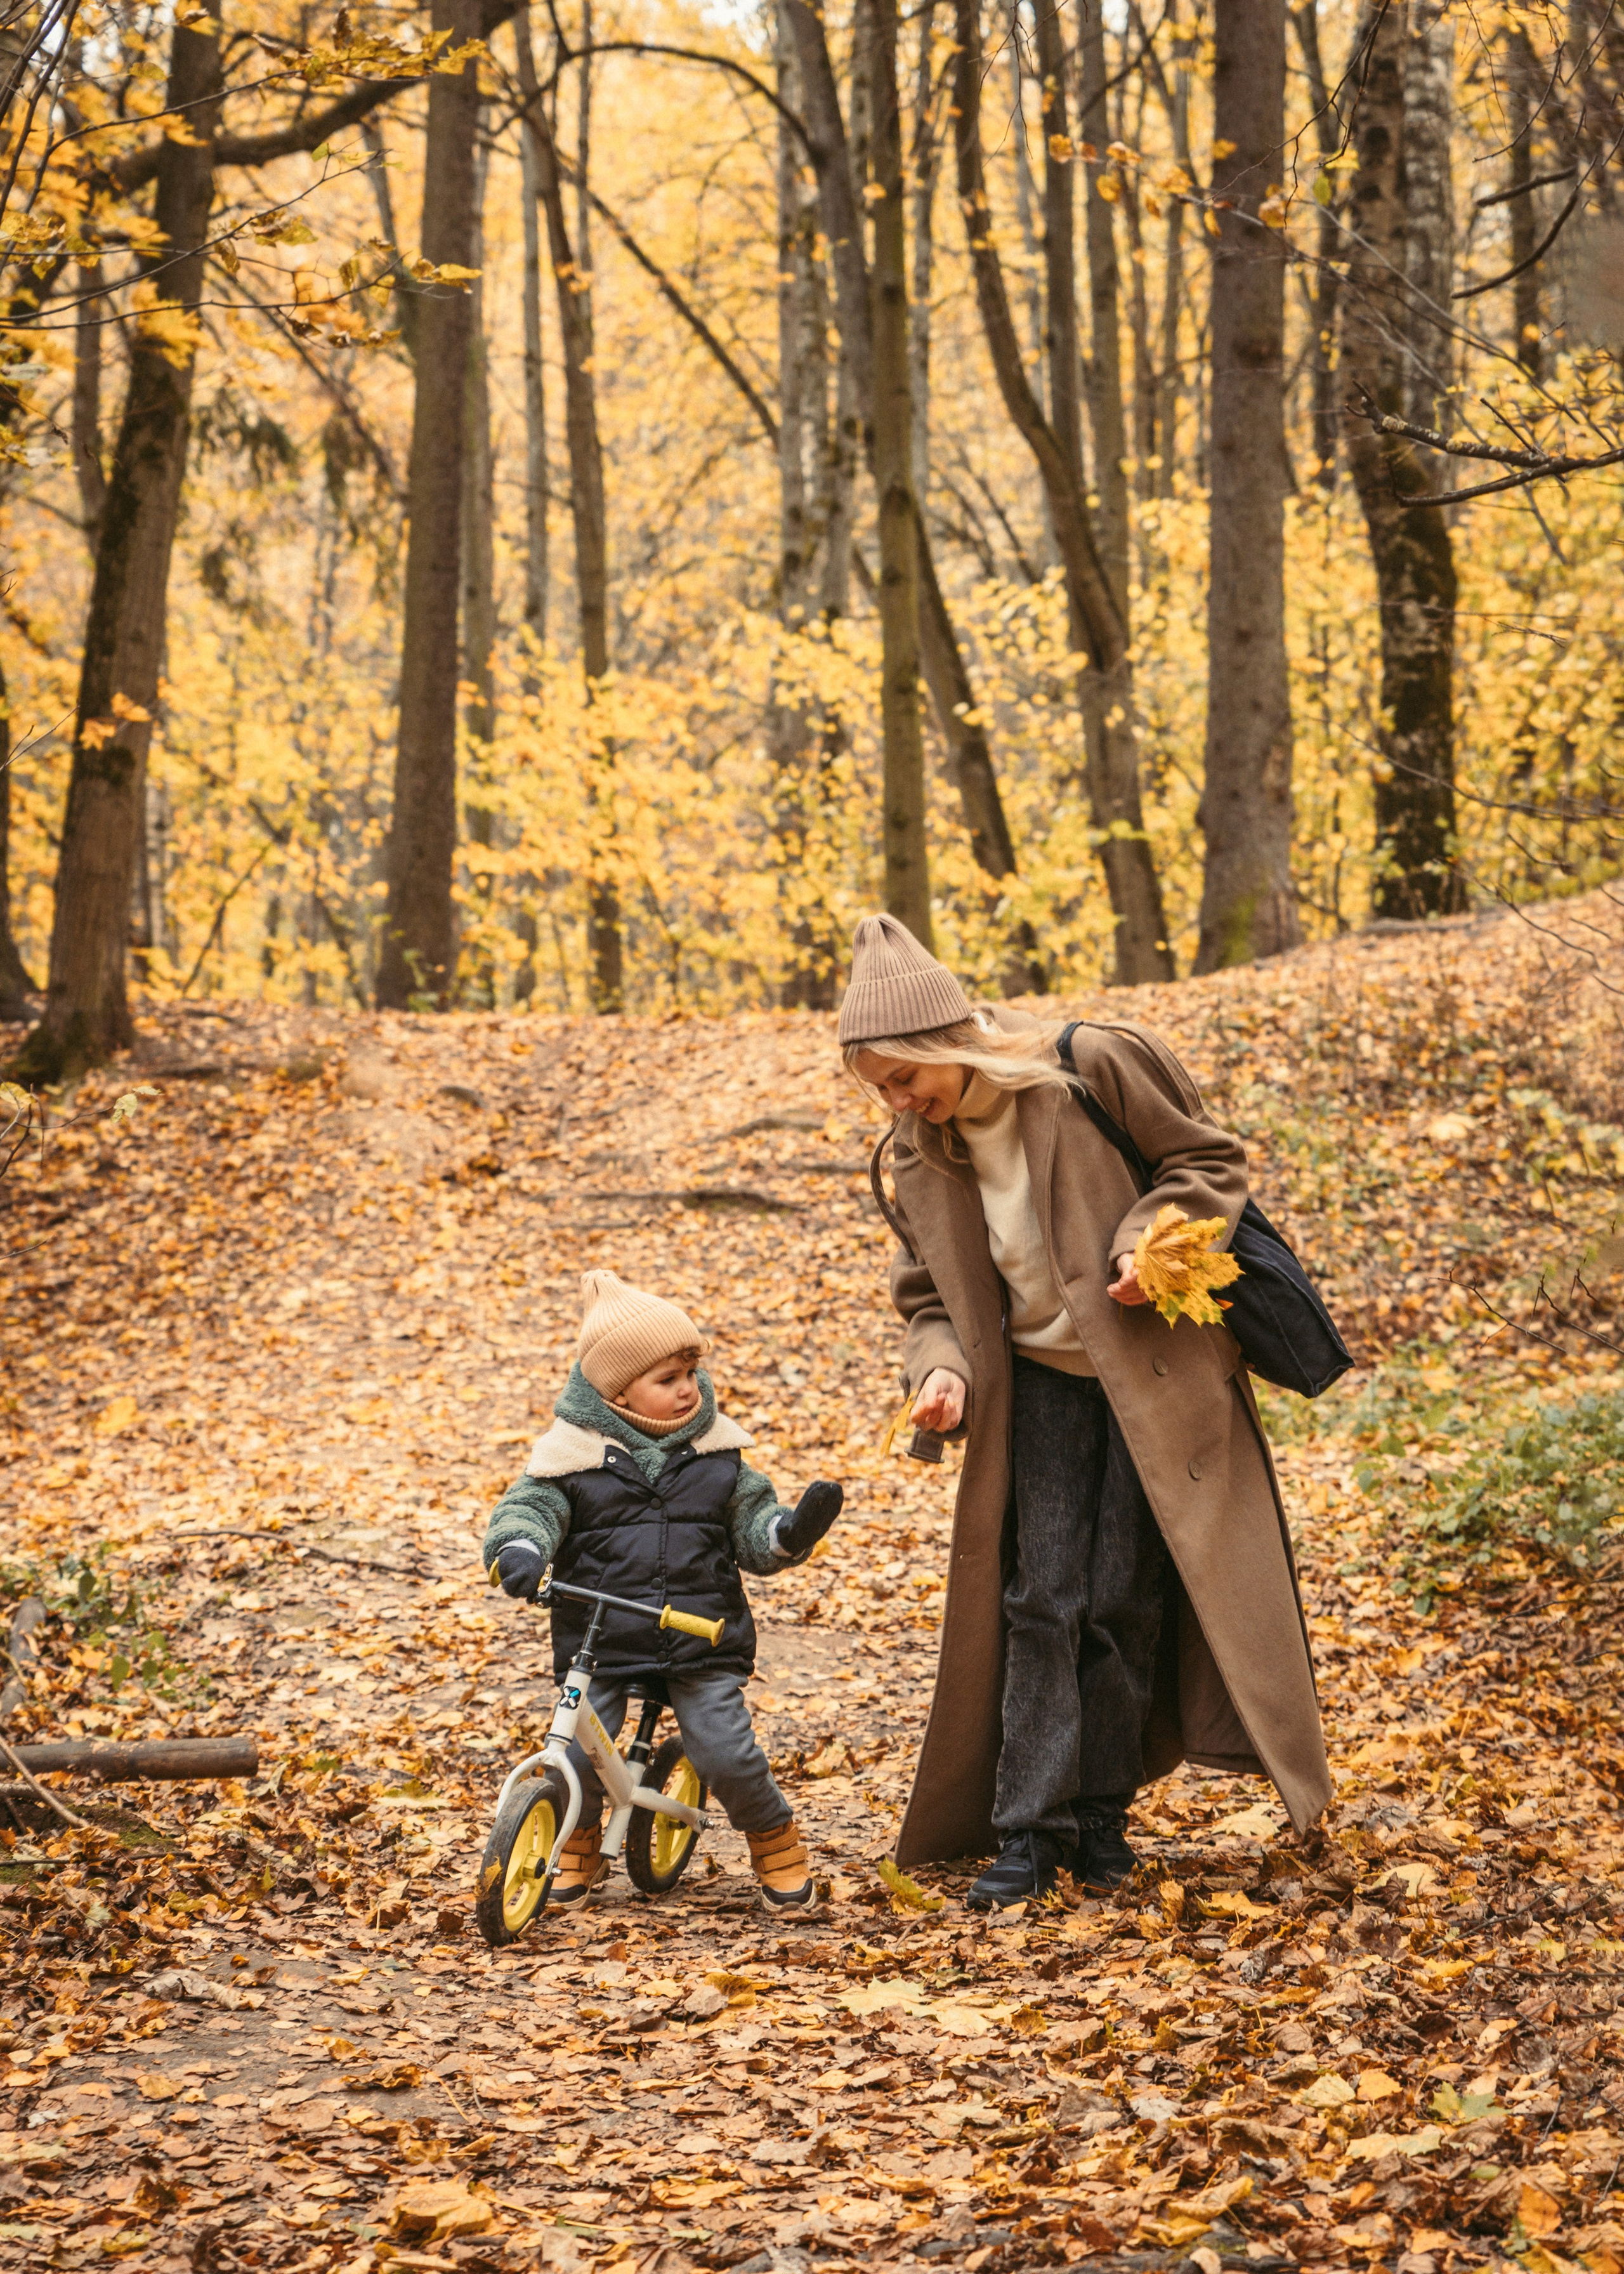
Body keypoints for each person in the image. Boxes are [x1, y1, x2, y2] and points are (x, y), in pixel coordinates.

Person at [839, 914, 1331, 1909]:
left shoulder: (1093, 1065)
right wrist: (940, 1373)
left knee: (1123, 1598)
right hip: (1039, 1391)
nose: (897, 1102)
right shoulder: (918, 1150)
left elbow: (1206, 1164)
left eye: (903, 1077)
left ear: (949, 1040)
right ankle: (1028, 1830)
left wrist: (1150, 1241)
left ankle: (1100, 1818)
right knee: (1038, 1598)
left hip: (1152, 1380)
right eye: (880, 1089)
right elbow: (928, 1298)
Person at [484, 1269, 843, 1910]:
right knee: (578, 1746)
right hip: (603, 1634)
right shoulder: (571, 1458)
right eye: (668, 1379)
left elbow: (755, 1530)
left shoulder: (717, 1456)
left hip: (699, 1635)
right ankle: (577, 1835)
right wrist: (520, 1547)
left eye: (690, 1372)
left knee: (725, 1750)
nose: (689, 1389)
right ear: (618, 1391)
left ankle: (771, 1833)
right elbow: (527, 1508)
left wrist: (788, 1531)